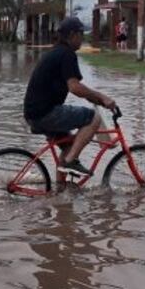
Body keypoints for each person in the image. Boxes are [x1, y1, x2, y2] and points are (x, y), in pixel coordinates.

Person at [23, 17, 116, 177]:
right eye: (81, 34)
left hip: (34, 113)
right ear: (72, 35)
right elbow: (75, 87)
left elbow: (77, 88)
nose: (82, 38)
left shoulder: (56, 52)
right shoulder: (67, 54)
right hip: (46, 113)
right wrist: (102, 96)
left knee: (69, 146)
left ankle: (60, 190)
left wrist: (97, 100)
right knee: (93, 118)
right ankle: (71, 161)